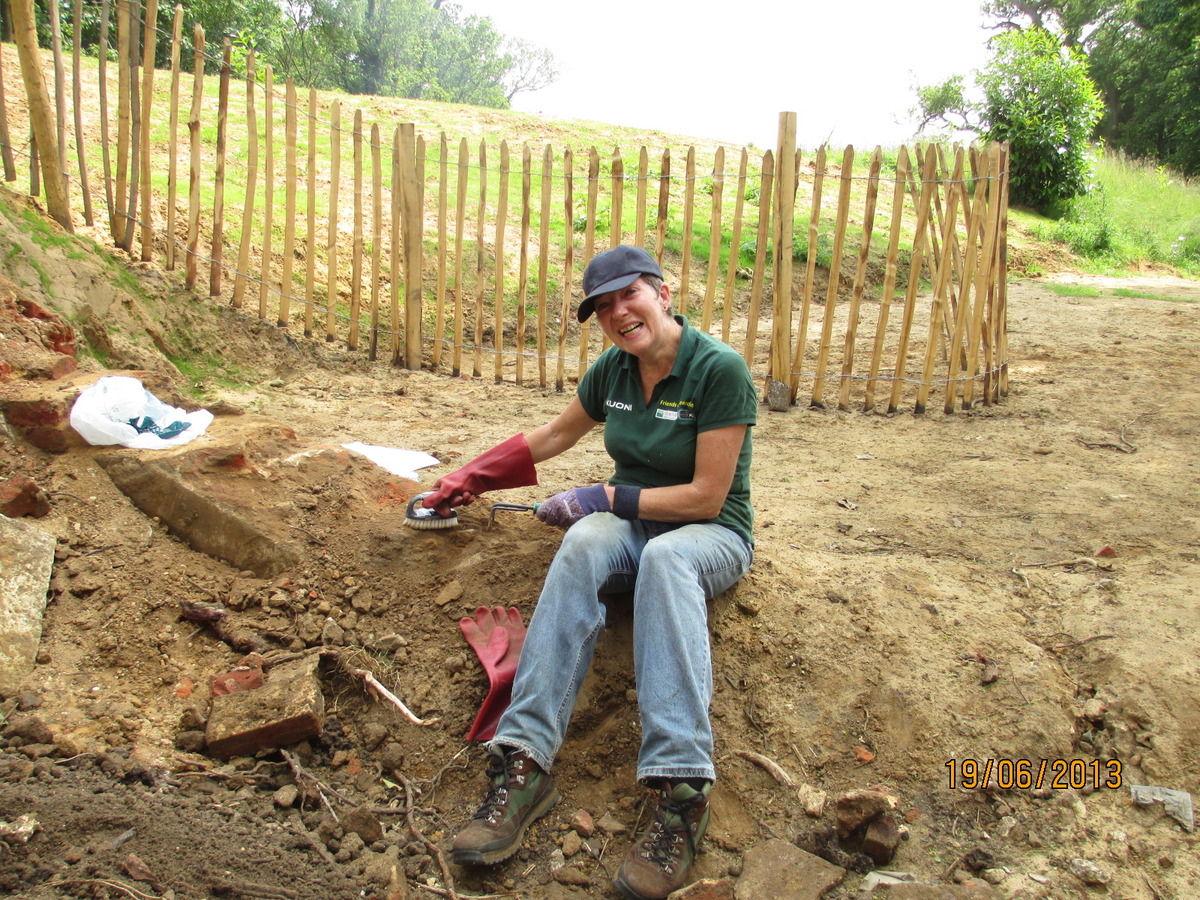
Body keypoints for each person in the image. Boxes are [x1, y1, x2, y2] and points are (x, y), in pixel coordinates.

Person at [421, 244, 757, 900]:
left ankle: (680, 792)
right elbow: (551, 436)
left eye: (627, 295)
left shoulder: (719, 370)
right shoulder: (615, 370)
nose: (617, 313)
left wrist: (605, 498)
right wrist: (469, 478)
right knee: (580, 546)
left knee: (664, 556)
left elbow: (706, 498)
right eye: (602, 307)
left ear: (662, 290)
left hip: (709, 534)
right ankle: (524, 765)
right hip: (632, 524)